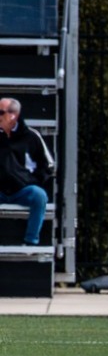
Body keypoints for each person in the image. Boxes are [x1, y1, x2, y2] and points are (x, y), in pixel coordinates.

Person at [0, 97, 53, 245]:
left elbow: (48, 164)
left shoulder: (31, 136)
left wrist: (31, 180)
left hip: (22, 189)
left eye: (0, 112)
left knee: (39, 195)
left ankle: (31, 240)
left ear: (13, 115)